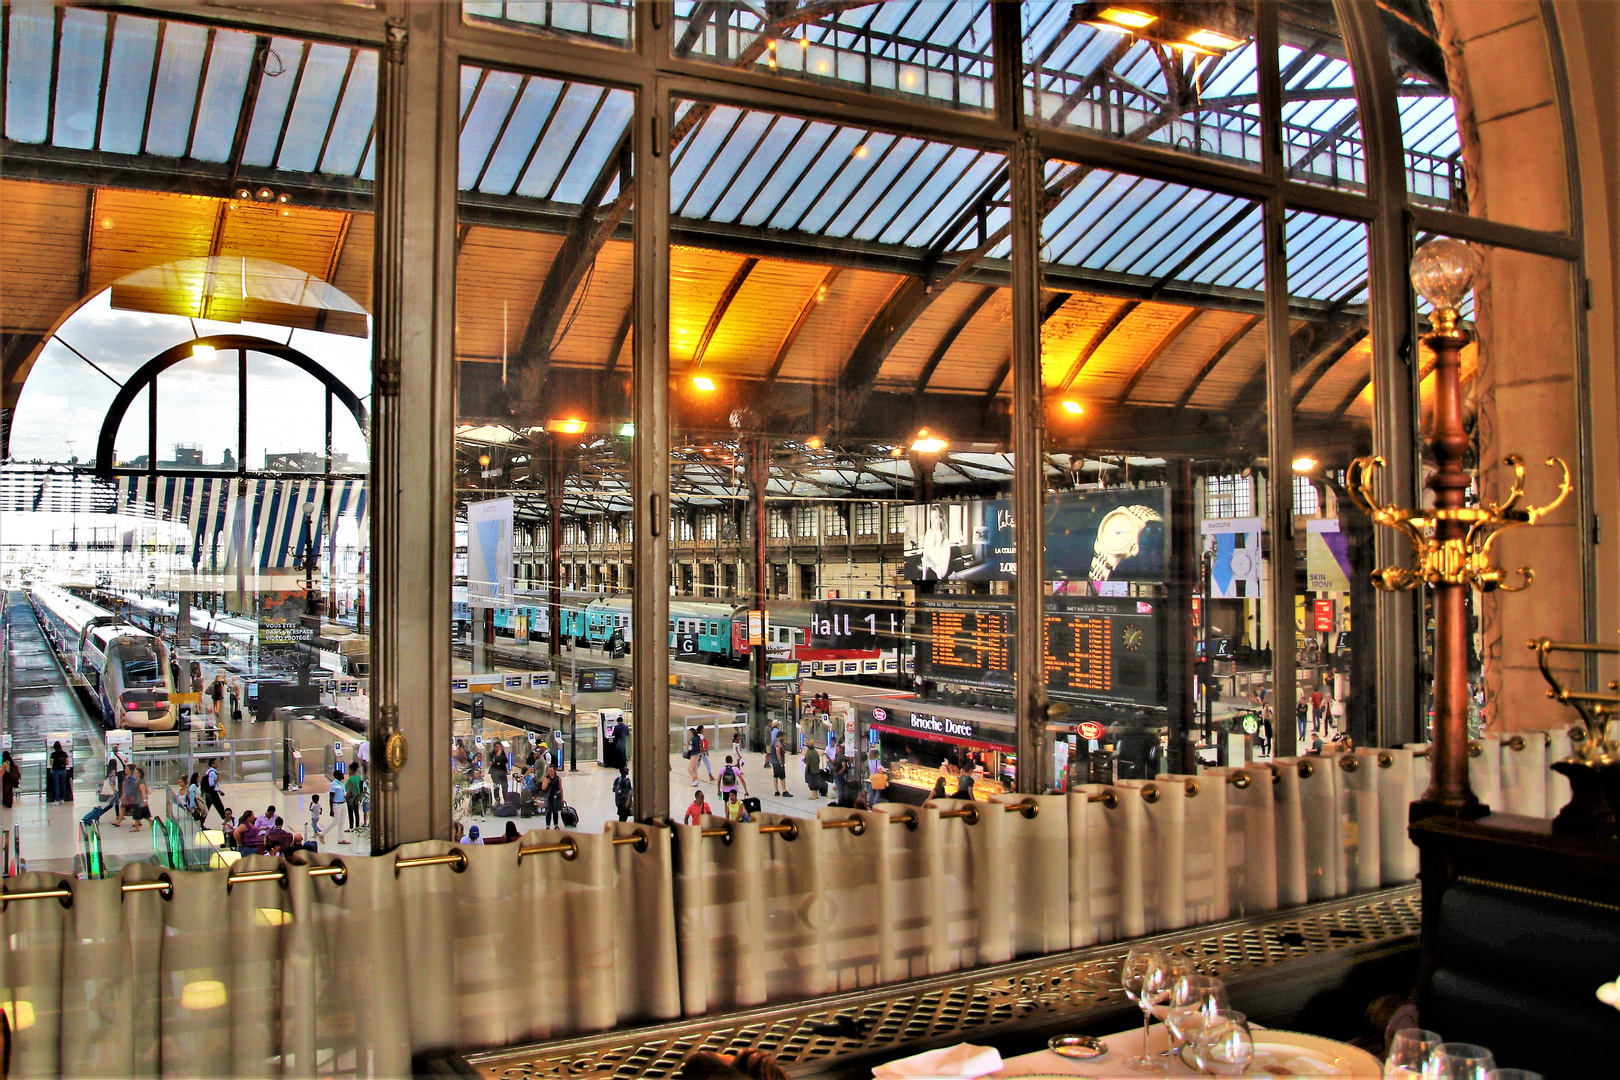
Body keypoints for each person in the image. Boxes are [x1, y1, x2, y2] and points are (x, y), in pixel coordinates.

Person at [201, 760, 226, 825]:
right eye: (216, 763)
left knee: (207, 809)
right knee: (220, 807)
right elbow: (211, 784)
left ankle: (201, 823)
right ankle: (226, 821)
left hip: (209, 793)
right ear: (212, 764)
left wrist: (219, 791)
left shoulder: (208, 771)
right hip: (212, 794)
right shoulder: (212, 773)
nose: (217, 764)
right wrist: (216, 781)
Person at [766, 732, 790, 797]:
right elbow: (778, 753)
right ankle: (784, 791)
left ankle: (776, 791)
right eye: (784, 737)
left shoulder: (773, 741)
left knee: (775, 776)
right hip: (778, 763)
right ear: (780, 736)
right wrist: (781, 762)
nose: (784, 738)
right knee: (782, 777)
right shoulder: (778, 743)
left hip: (773, 762)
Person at [539, 764, 563, 829]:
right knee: (548, 811)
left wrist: (562, 798)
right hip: (549, 797)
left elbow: (560, 788)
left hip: (556, 797)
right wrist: (546, 783)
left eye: (551, 770)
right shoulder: (546, 778)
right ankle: (547, 825)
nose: (550, 772)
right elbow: (543, 788)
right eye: (549, 770)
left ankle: (556, 824)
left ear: (554, 771)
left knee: (555, 811)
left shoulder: (558, 779)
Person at [328, 771, 346, 841]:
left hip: (343, 804)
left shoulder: (341, 784)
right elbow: (331, 797)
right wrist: (331, 809)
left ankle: (341, 839)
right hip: (337, 805)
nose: (343, 775)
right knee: (335, 821)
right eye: (341, 774)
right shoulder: (333, 784)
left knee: (342, 821)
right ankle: (322, 833)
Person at [344, 768, 363, 833]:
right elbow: (361, 786)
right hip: (357, 795)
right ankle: (357, 826)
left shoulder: (351, 779)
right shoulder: (358, 777)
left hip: (351, 796)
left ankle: (351, 827)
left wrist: (346, 796)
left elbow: (350, 788)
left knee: (350, 811)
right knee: (356, 811)